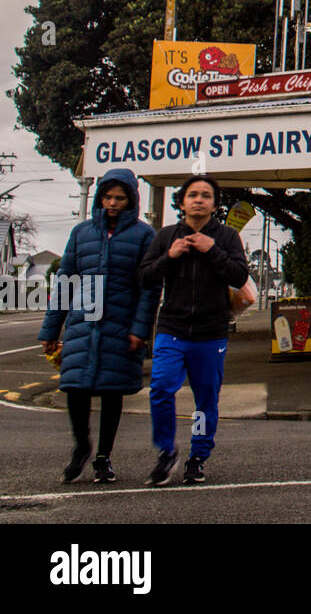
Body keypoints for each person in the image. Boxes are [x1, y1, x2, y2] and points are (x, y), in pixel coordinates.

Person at [39, 168, 159, 483]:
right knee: (75, 387)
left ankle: (103, 458)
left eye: (120, 198)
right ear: (100, 197)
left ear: (131, 198)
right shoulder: (81, 234)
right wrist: (51, 330)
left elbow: (149, 289)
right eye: (108, 196)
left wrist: (140, 330)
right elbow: (64, 281)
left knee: (111, 391)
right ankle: (82, 447)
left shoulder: (145, 235)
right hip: (82, 323)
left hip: (121, 325)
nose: (113, 203)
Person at [136, 174, 249, 485]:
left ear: (215, 204)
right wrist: (169, 257)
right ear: (182, 202)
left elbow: (239, 275)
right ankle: (165, 451)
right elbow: (144, 277)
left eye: (206, 195)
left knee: (205, 400)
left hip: (210, 333)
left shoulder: (226, 237)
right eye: (193, 195)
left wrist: (212, 249)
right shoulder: (167, 236)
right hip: (172, 328)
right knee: (160, 388)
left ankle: (198, 456)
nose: (199, 200)